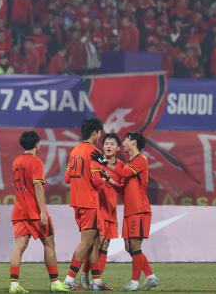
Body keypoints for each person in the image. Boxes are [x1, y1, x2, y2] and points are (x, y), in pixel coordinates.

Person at [93, 132, 159, 291]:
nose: (123, 143)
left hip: (139, 209)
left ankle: (135, 282)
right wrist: (108, 179)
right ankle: (150, 276)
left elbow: (123, 173)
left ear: (134, 142)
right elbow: (122, 187)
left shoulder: (140, 160)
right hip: (129, 211)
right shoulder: (130, 162)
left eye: (126, 140)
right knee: (129, 247)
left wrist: (103, 162)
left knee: (135, 246)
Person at [8, 131, 72, 293]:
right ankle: (55, 282)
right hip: (35, 212)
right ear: (37, 144)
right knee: (49, 244)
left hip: (19, 211)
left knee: (19, 246)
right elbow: (38, 187)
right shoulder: (36, 162)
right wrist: (43, 211)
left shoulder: (16, 161)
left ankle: (14, 284)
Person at [63, 118, 106, 290]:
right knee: (87, 243)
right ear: (95, 132)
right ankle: (68, 279)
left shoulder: (75, 151)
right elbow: (96, 180)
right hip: (89, 202)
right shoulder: (94, 152)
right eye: (99, 132)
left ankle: (96, 282)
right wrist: (105, 177)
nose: (100, 135)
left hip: (77, 202)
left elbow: (67, 178)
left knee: (94, 242)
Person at [81, 133, 123, 290]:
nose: (108, 146)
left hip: (111, 209)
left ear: (118, 148)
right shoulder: (96, 161)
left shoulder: (120, 166)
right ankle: (85, 275)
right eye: (106, 143)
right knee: (95, 245)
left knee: (105, 245)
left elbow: (122, 186)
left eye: (112, 144)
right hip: (98, 208)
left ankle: (97, 281)